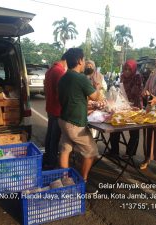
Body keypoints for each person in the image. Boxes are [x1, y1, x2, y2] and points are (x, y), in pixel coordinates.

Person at [57, 48, 101, 191]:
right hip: (75, 124)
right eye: (83, 60)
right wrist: (98, 88)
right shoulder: (80, 78)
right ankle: (83, 181)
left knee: (65, 149)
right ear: (80, 61)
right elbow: (95, 97)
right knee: (91, 151)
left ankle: (65, 180)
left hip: (63, 119)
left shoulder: (63, 77)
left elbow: (72, 98)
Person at [109, 59, 143, 157]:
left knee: (134, 130)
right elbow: (120, 89)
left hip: (135, 105)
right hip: (123, 104)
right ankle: (114, 151)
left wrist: (130, 104)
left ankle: (130, 153)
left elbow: (136, 92)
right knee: (116, 126)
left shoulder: (137, 76)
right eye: (125, 69)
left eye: (129, 69)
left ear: (133, 69)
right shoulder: (122, 76)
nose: (127, 71)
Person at [43, 54, 67, 169]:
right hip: (57, 109)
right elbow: (60, 93)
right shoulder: (59, 71)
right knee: (54, 138)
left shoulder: (50, 70)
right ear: (66, 61)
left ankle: (47, 158)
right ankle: (51, 162)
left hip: (50, 107)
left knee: (50, 135)